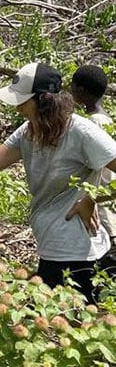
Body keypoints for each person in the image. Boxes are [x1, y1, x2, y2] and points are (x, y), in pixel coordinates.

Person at [0, 63, 116, 303]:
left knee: (66, 324)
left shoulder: (82, 131)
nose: (17, 107)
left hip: (76, 250)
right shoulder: (30, 130)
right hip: (52, 245)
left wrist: (92, 198)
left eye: (22, 101)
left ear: (44, 101)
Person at [70, 65, 116, 260]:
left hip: (99, 200)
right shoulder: (104, 118)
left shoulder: (94, 123)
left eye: (72, 86)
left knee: (106, 253)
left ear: (80, 90)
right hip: (101, 197)